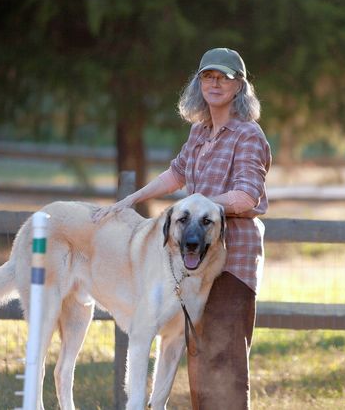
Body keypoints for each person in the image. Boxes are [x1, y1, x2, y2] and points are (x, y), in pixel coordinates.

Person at [92, 47, 271, 409]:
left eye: (224, 77)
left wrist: (202, 209)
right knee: (198, 361)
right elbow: (176, 174)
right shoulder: (200, 131)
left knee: (224, 360)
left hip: (231, 261)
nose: (215, 83)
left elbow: (248, 196)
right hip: (194, 259)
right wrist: (129, 200)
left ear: (239, 86)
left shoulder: (248, 135)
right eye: (208, 76)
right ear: (198, 83)